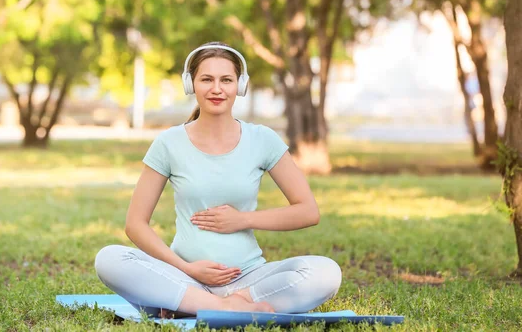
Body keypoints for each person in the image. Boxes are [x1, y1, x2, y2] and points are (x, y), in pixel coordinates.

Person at [94, 42, 342, 318]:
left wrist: (244, 219)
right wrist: (186, 269)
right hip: (183, 277)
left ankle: (202, 305)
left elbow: (308, 211)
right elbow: (135, 224)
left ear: (240, 85)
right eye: (206, 79)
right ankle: (220, 307)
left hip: (248, 280)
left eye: (226, 80)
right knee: (109, 258)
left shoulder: (263, 140)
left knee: (326, 272)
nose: (217, 89)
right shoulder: (169, 142)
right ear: (191, 85)